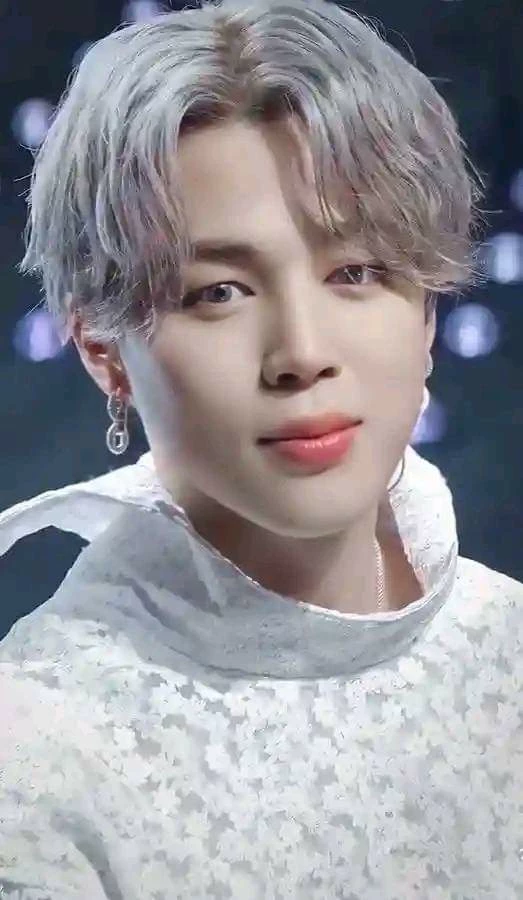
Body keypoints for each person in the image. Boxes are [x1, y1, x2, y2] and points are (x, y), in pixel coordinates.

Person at [0, 0, 521, 896]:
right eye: (219, 292)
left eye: (355, 271)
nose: (301, 353)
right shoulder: (36, 747)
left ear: (427, 310)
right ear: (101, 348)